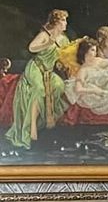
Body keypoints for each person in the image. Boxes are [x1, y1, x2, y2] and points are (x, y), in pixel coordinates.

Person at [5, 10, 68, 149]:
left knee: (59, 86)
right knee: (39, 90)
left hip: (48, 71)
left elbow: (62, 56)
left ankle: (44, 121)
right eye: (63, 20)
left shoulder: (63, 39)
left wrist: (60, 64)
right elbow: (32, 48)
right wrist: (47, 43)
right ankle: (32, 126)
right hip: (36, 68)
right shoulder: (44, 34)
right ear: (56, 22)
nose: (66, 23)